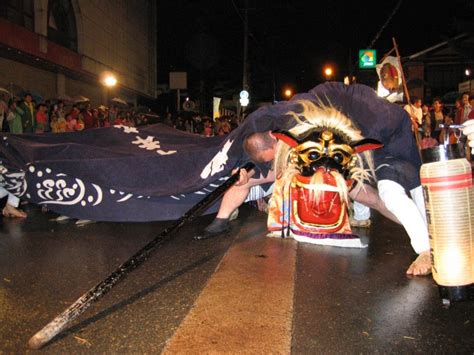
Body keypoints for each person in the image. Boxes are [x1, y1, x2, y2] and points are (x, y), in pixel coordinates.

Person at [196, 83, 431, 276]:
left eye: (274, 156)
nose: (275, 161)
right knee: (367, 190)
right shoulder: (268, 128)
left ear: (274, 138)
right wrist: (238, 170)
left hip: (377, 130)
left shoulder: (300, 124)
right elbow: (246, 151)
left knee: (389, 191)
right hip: (345, 136)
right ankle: (221, 219)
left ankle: (428, 241)